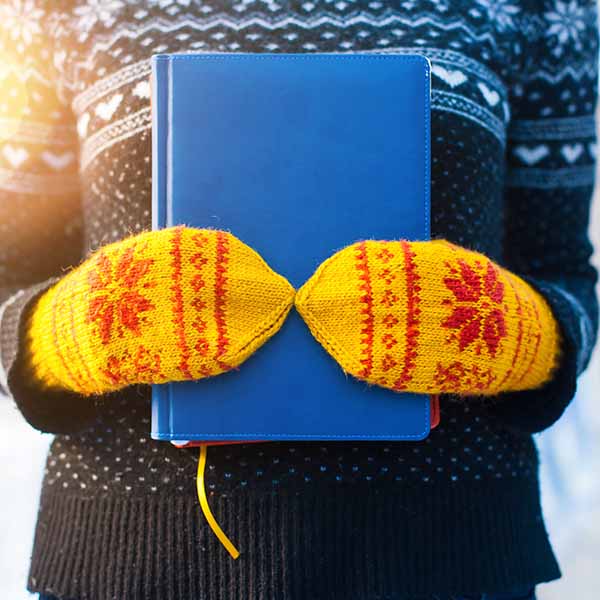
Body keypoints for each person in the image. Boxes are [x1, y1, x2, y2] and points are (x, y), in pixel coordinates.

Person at [0, 1, 597, 599]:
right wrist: (77, 328)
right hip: (131, 553)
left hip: (452, 549)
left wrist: (515, 330)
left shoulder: (541, 9)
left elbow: (563, 270)